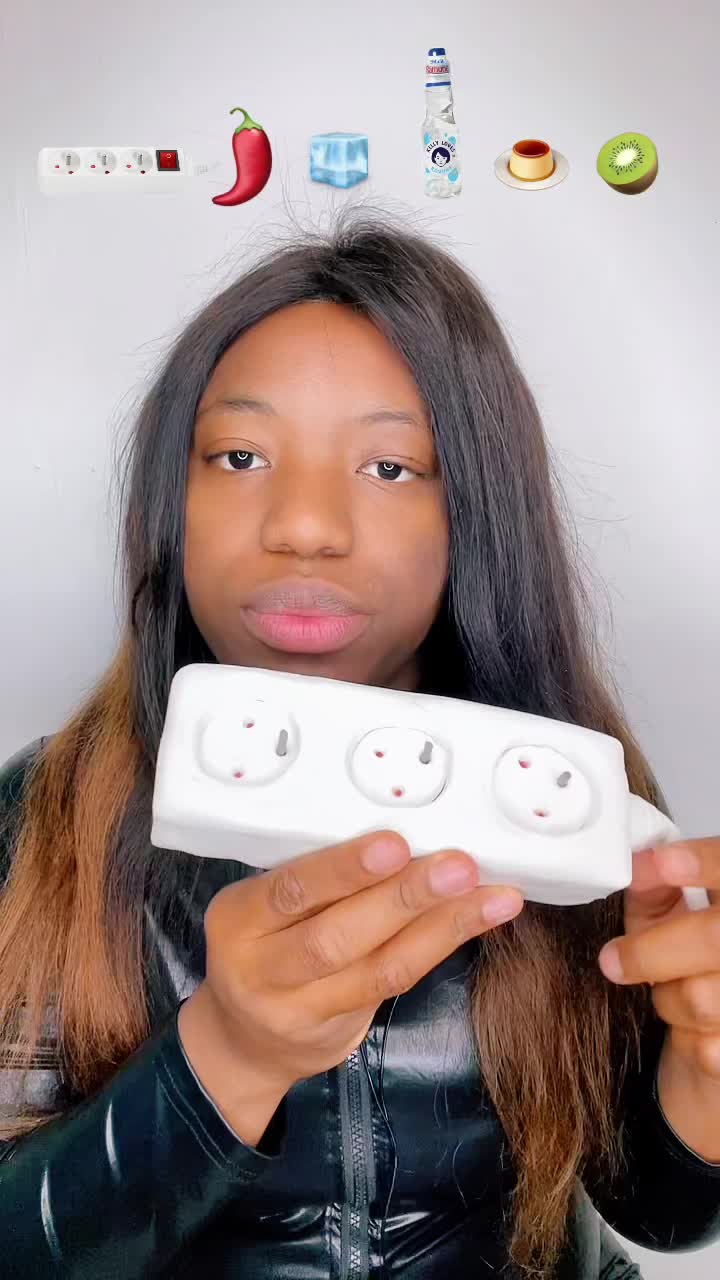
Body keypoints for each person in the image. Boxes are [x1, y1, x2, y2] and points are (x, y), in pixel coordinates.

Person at [0, 211, 719, 1280]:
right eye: (240, 455)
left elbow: (657, 1212)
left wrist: (703, 1074)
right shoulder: (52, 811)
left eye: (389, 466)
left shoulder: (573, 799)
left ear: (476, 512)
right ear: (170, 503)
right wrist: (227, 1058)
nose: (306, 525)